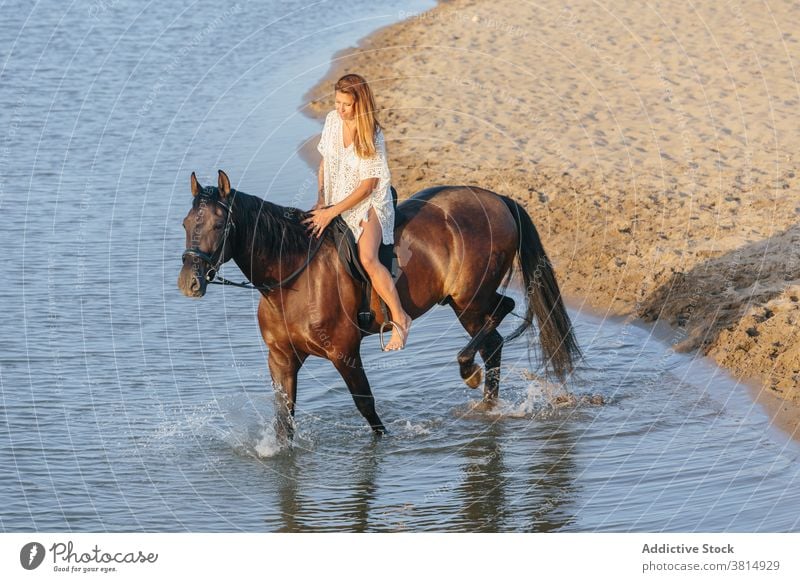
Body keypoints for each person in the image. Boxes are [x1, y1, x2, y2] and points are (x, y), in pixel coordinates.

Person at [303, 73, 412, 351]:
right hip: (336, 198)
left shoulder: (372, 134)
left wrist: (331, 213)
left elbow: (367, 187)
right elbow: (325, 164)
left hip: (370, 201)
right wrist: (321, 200)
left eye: (346, 104)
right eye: (337, 102)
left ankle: (400, 319)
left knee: (367, 257)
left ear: (359, 104)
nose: (340, 109)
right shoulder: (331, 121)